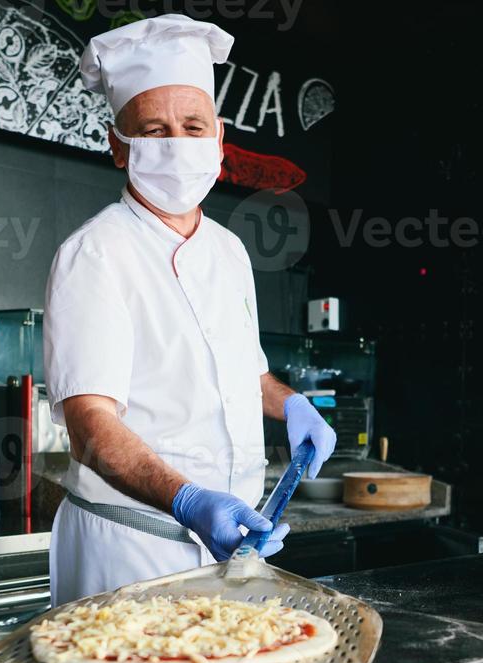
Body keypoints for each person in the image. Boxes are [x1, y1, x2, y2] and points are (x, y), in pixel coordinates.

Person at [43, 14, 337, 606]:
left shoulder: (228, 251)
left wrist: (292, 404)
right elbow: (90, 429)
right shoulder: (93, 255)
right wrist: (187, 500)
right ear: (118, 148)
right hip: (130, 549)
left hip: (233, 551)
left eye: (193, 125)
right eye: (154, 130)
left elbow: (246, 375)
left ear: (219, 137)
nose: (177, 143)